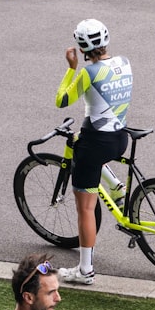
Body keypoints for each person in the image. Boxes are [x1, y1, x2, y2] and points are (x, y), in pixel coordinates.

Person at [55, 19, 134, 285]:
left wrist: (71, 69)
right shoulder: (124, 62)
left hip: (95, 144)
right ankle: (118, 188)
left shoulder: (89, 73)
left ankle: (85, 270)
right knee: (91, 156)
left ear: (81, 46)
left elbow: (62, 100)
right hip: (120, 138)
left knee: (85, 209)